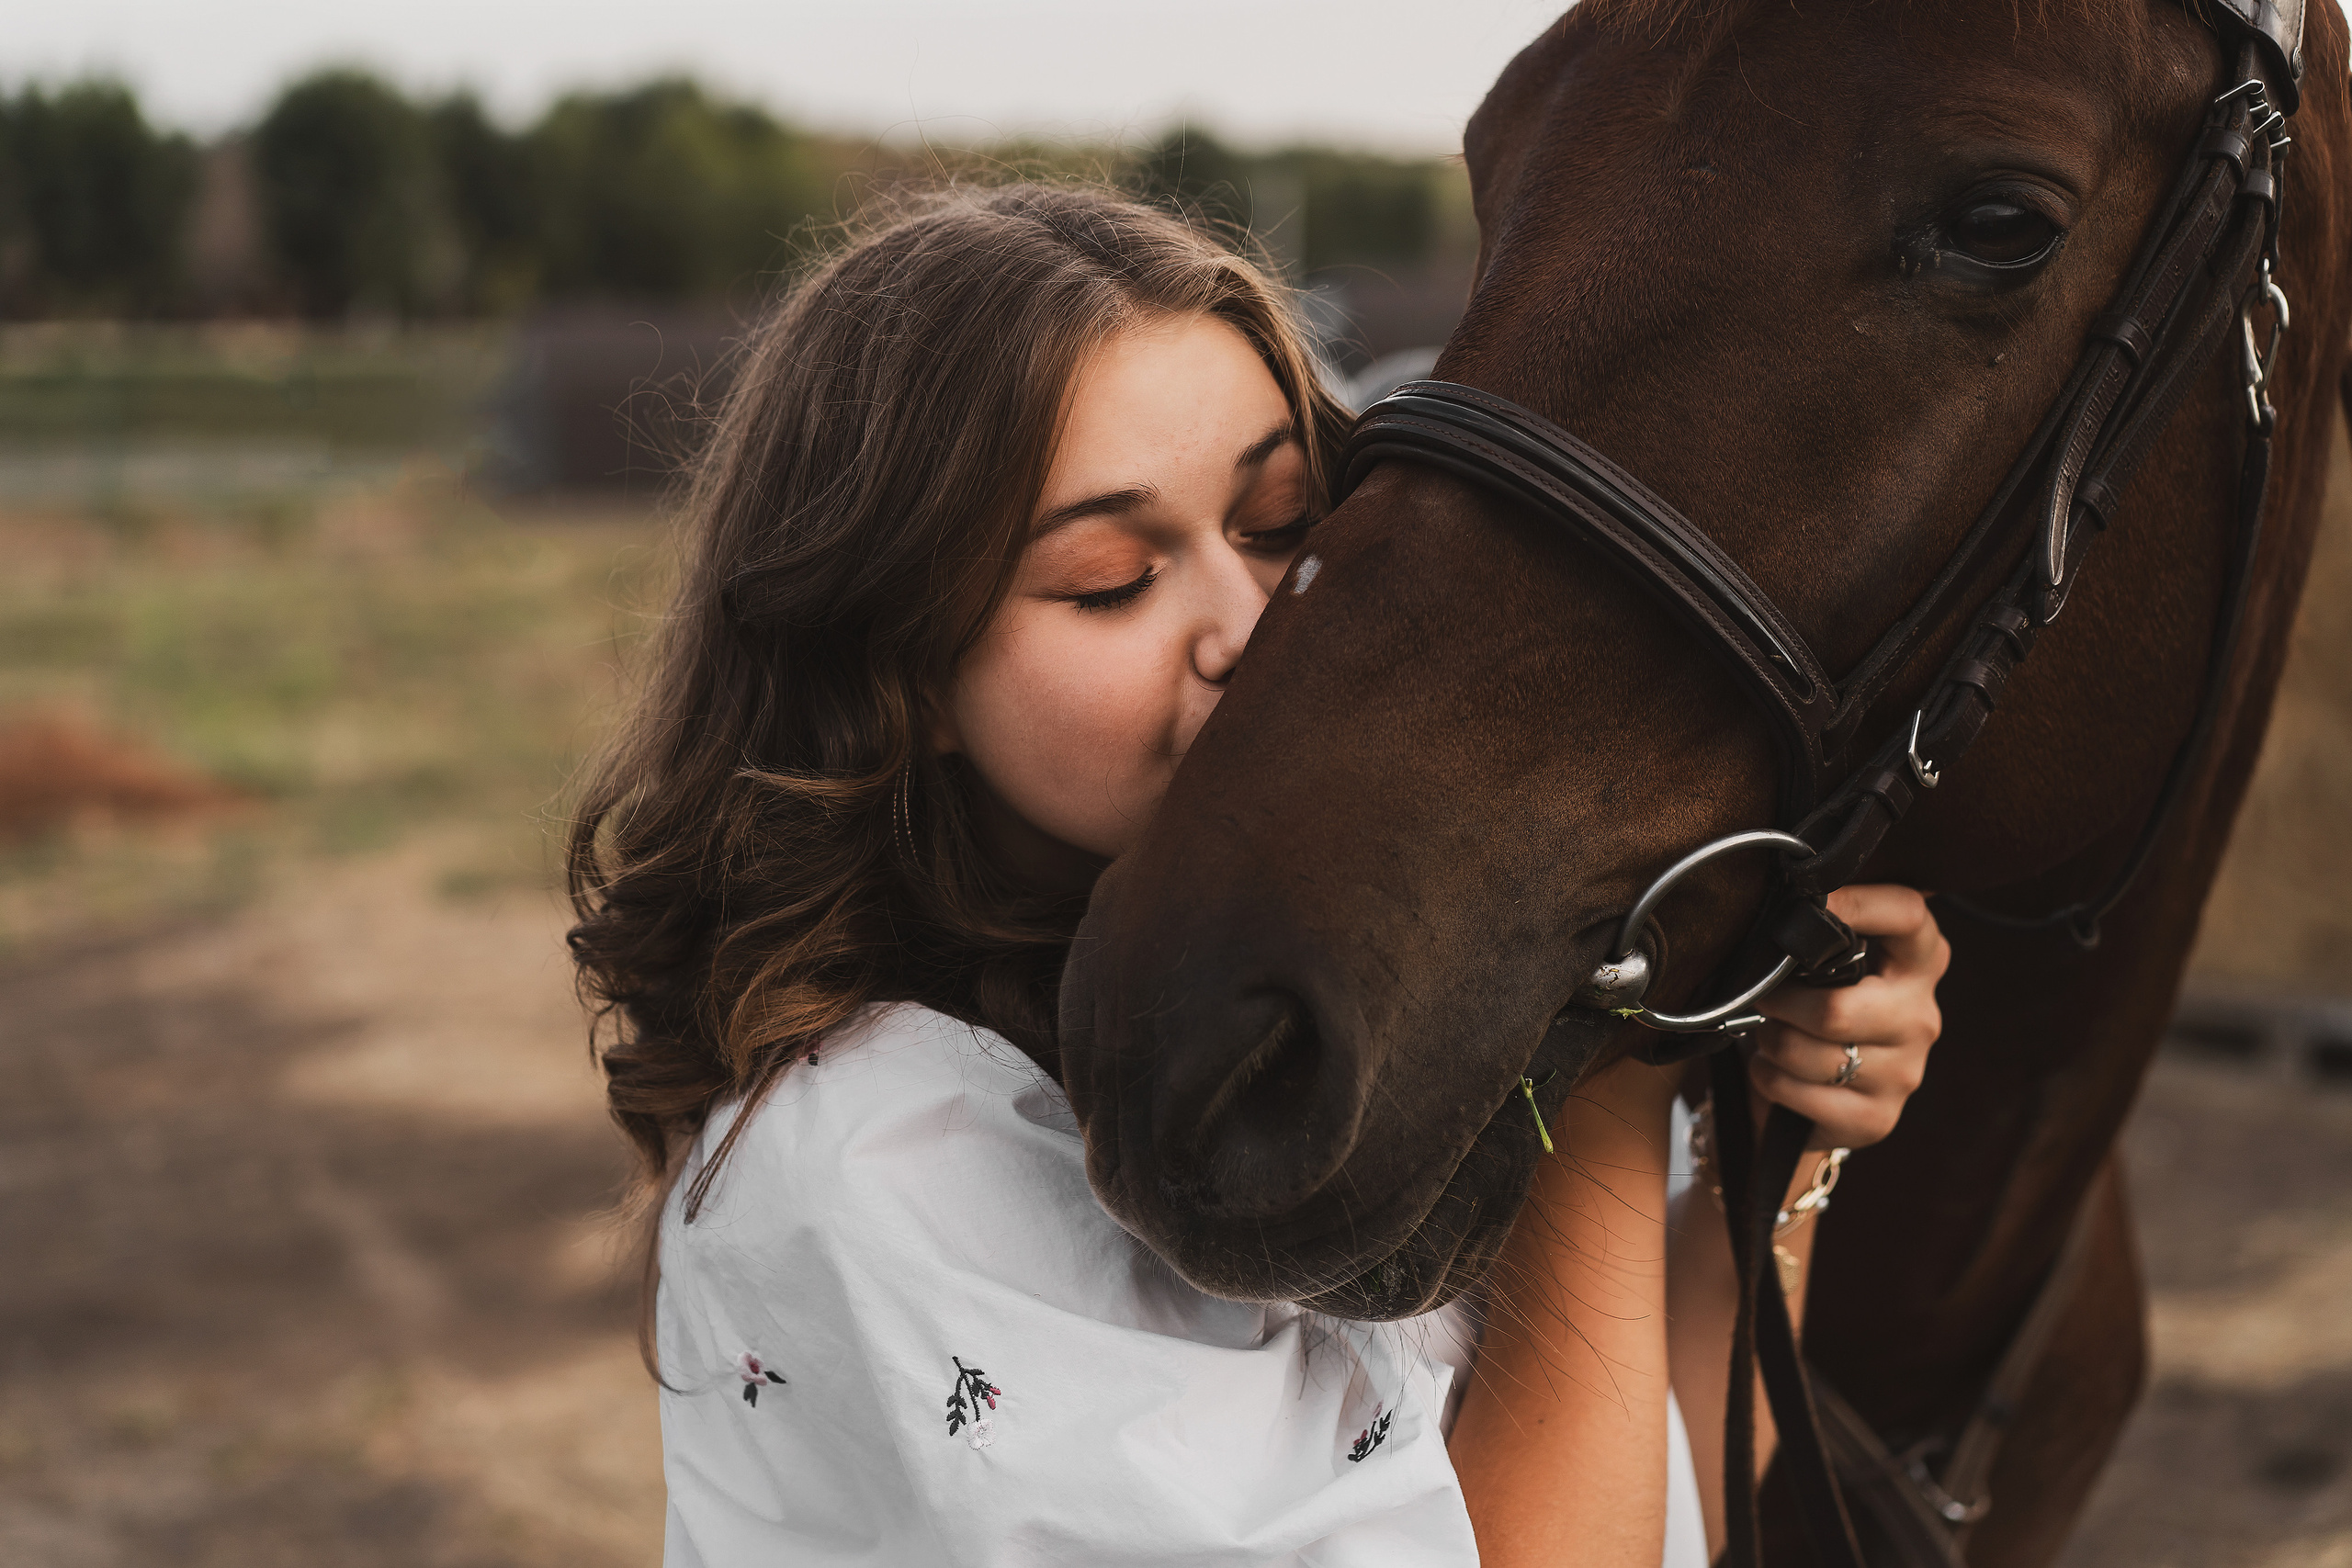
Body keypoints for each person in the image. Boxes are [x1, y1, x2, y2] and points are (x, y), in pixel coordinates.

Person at [566, 183, 1949, 1567]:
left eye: (1282, 523)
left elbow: (1672, 1483)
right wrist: (1601, 1105)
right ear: (898, 666)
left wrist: (1787, 1136)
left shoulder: (1318, 970)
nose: (1247, 626)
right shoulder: (879, 1163)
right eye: (1111, 578)